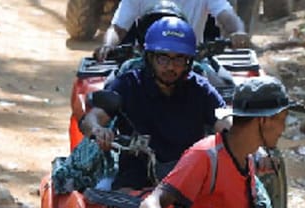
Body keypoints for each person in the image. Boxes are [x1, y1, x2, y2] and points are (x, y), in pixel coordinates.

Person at [138, 76, 305, 208]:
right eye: (281, 119)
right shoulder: (205, 156)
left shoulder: (248, 158)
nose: (283, 129)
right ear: (262, 120)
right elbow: (151, 202)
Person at [81, 16, 230, 191]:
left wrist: (249, 143)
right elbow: (92, 118)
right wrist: (98, 130)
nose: (170, 67)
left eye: (178, 59)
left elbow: (225, 119)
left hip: (189, 178)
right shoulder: (129, 84)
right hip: (135, 179)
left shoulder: (200, 88)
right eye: (163, 59)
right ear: (150, 58)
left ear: (189, 62)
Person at [96, 0, 250, 61]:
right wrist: (109, 45)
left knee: (228, 89)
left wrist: (237, 32)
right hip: (144, 60)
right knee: (109, 90)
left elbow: (227, 15)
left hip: (193, 60)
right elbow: (117, 28)